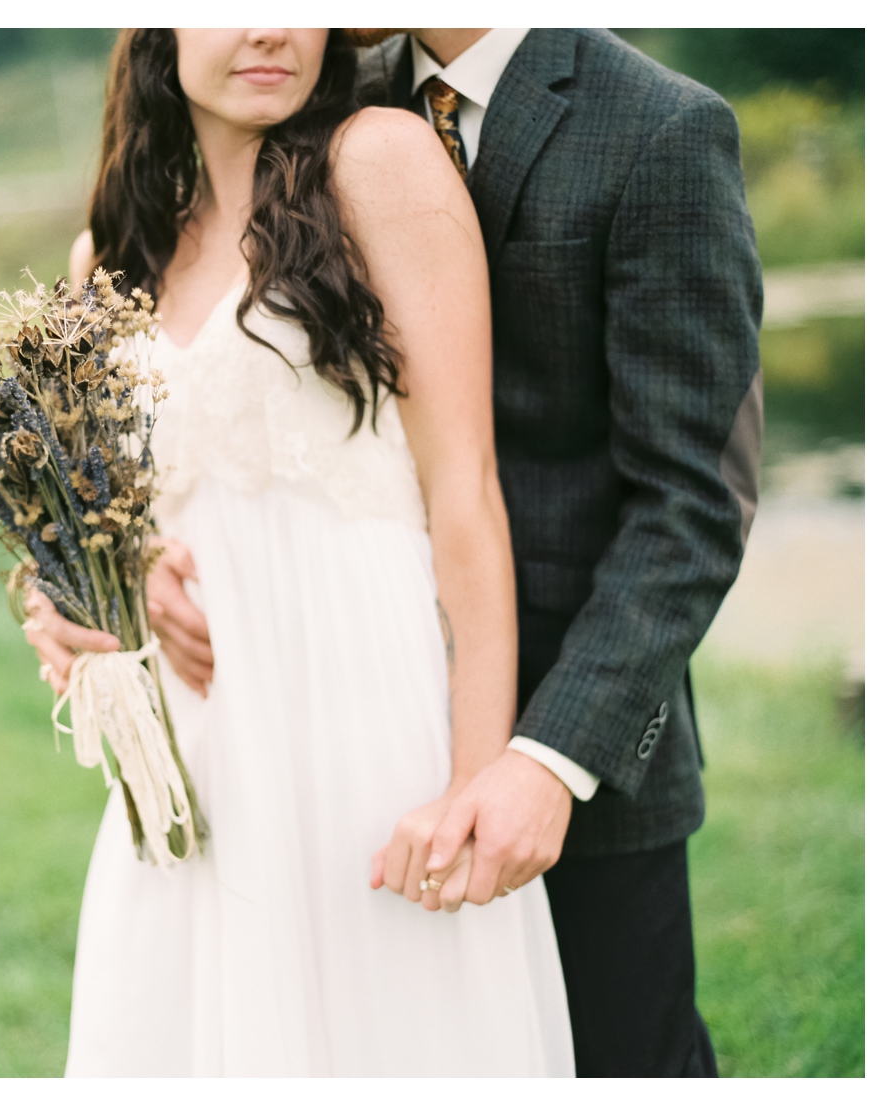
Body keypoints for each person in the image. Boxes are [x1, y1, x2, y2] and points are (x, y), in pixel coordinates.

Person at [110, 28, 766, 1077]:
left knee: (619, 1060)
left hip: (578, 720)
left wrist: (542, 759)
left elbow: (691, 502)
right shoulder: (318, 98)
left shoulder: (657, 127)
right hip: (325, 738)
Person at [25, 28, 574, 1076]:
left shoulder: (378, 160)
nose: (272, 25)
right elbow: (96, 517)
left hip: (365, 715)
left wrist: (476, 774)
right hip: (202, 752)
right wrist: (107, 584)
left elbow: (463, 491)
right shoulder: (109, 254)